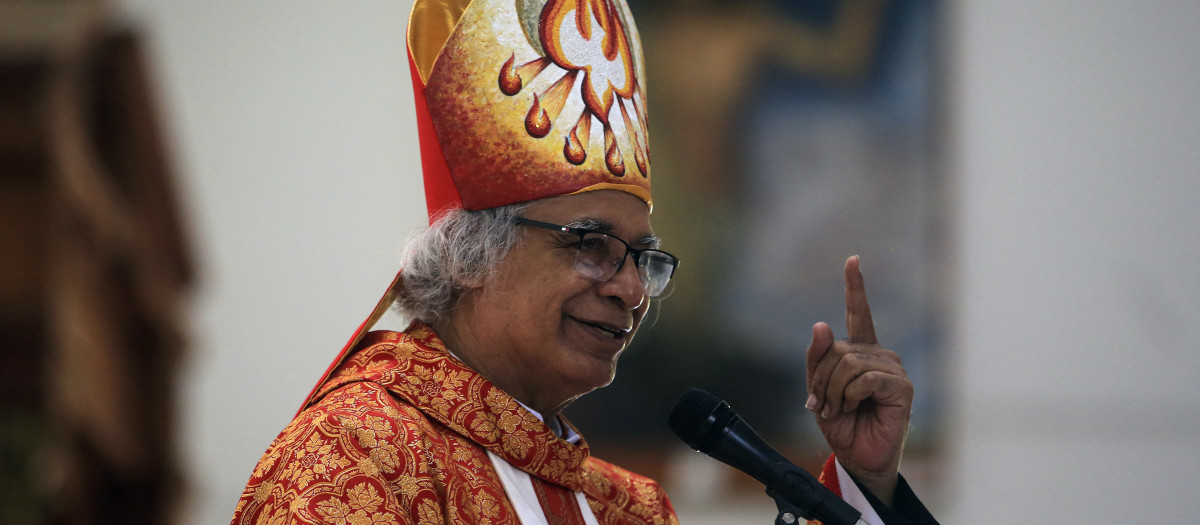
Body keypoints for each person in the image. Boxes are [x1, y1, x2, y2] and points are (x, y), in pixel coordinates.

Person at [231, 0, 936, 524]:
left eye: (644, 257)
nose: (631, 288)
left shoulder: (626, 507)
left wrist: (865, 482)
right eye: (591, 244)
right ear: (472, 256)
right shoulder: (356, 457)